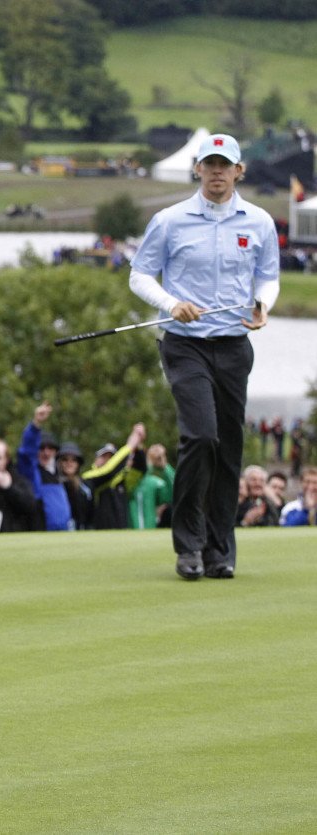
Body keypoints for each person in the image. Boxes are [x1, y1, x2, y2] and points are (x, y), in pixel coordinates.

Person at [129, 133, 279, 580]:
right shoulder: (170, 220)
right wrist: (171, 303)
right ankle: (188, 546)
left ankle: (219, 551)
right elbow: (139, 275)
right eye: (209, 164)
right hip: (184, 343)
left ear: (239, 171)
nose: (217, 172)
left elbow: (267, 278)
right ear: (198, 169)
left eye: (224, 165)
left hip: (234, 346)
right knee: (201, 437)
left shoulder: (259, 222)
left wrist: (263, 305)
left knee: (229, 449)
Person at [16, 402, 72, 531]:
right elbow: (27, 451)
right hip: (41, 532)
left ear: (56, 452)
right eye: (42, 448)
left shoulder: (58, 472)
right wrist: (36, 424)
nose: (46, 452)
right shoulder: (31, 471)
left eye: (50, 448)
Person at [82, 424, 146, 531]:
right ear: (95, 459)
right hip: (97, 535)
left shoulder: (122, 481)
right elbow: (109, 472)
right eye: (103, 456)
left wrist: (138, 446)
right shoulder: (88, 478)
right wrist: (130, 446)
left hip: (122, 534)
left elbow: (139, 470)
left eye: (111, 457)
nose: (107, 460)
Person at [130, 443, 176, 530]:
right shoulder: (128, 482)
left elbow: (174, 492)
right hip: (128, 532)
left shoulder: (154, 483)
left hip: (151, 531)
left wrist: (165, 466)